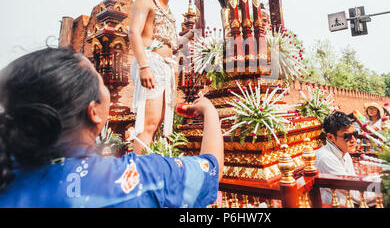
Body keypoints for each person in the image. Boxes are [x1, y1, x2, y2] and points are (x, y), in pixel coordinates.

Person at [0, 47, 223, 208]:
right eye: (101, 81)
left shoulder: (7, 177)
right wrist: (209, 110)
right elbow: (211, 170)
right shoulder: (140, 178)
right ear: (94, 111)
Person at [128, 0, 195, 154]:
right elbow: (133, 32)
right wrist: (144, 66)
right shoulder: (146, 1)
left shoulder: (170, 12)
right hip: (150, 63)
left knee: (159, 123)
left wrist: (192, 34)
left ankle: (150, 165)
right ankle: (136, 174)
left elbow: (172, 46)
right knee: (148, 123)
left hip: (166, 66)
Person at [315, 112, 377, 207]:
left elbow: (353, 181)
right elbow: (355, 193)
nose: (353, 140)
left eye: (355, 134)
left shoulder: (344, 152)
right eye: (347, 136)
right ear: (330, 137)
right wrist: (384, 188)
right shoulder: (326, 158)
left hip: (347, 199)